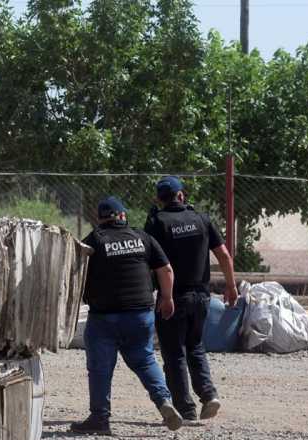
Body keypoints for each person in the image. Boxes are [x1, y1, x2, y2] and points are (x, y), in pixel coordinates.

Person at [70, 196, 183, 435]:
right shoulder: (142, 237)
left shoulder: (94, 240)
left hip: (104, 317)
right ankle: (164, 401)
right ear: (122, 216)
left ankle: (100, 419)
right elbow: (166, 269)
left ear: (100, 219)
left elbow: (75, 271)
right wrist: (167, 298)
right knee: (145, 360)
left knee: (100, 368)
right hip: (140, 315)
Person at [144, 176, 237, 422]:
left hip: (172, 297)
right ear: (181, 195)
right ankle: (209, 395)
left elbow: (147, 261)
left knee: (174, 352)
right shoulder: (201, 219)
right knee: (195, 346)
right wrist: (231, 286)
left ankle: (186, 410)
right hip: (202, 297)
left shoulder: (157, 222)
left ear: (159, 199)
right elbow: (224, 255)